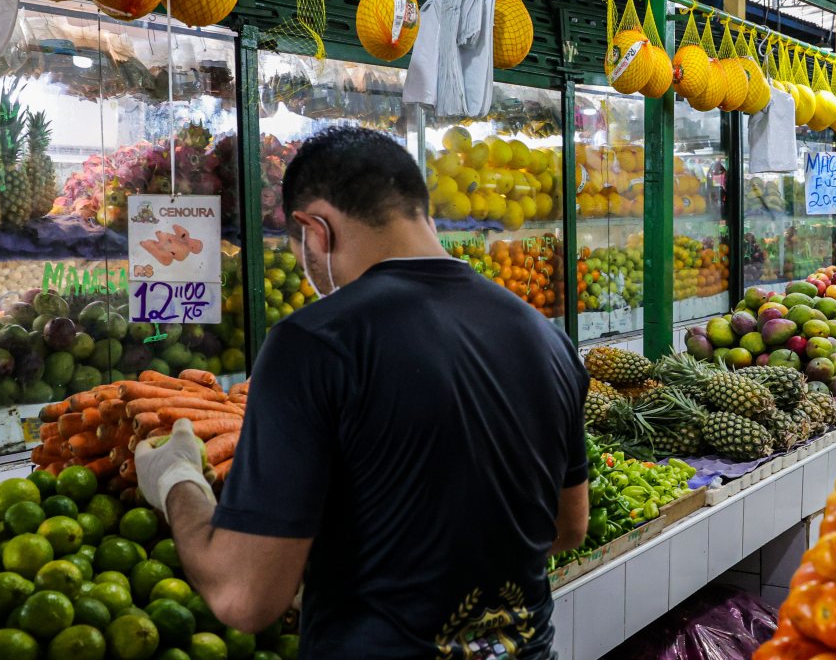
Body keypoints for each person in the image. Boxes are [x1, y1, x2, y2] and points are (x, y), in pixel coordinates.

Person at [136, 126, 589, 659]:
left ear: (315, 229)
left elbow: (245, 598)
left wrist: (177, 482)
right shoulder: (546, 338)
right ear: (421, 212)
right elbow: (567, 527)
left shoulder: (314, 342)